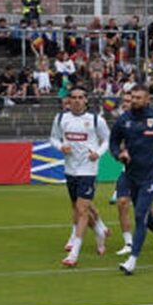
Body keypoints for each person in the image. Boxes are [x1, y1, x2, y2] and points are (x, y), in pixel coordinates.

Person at [109, 84, 153, 275]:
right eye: (133, 97)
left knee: (140, 214)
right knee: (135, 209)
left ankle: (132, 260)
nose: (135, 100)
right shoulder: (123, 120)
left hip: (152, 174)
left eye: (139, 97)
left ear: (147, 99)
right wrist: (118, 153)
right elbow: (113, 142)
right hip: (130, 173)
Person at [50, 89, 110, 266]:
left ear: (86, 100)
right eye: (73, 98)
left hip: (88, 169)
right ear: (69, 100)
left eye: (80, 98)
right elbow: (53, 138)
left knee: (82, 209)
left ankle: (74, 253)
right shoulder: (61, 118)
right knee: (77, 207)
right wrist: (61, 147)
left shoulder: (95, 120)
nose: (77, 101)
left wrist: (97, 153)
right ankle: (99, 229)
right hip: (70, 169)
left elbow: (107, 139)